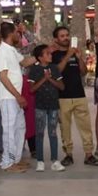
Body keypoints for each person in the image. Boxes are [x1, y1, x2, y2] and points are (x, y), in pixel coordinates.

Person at [49, 26, 98, 167]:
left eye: (67, 35)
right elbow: (56, 71)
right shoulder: (54, 55)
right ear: (56, 39)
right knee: (65, 128)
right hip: (62, 96)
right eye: (62, 36)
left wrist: (79, 58)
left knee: (85, 127)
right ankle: (68, 154)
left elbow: (83, 72)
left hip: (79, 94)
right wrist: (68, 55)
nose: (66, 38)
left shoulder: (75, 53)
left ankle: (89, 154)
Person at [0, 22, 28, 172]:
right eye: (16, 32)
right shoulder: (2, 51)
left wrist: (41, 55)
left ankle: (16, 159)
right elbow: (3, 77)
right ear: (10, 34)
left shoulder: (12, 50)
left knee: (19, 127)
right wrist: (17, 96)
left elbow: (24, 62)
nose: (18, 35)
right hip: (8, 97)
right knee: (9, 129)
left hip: (15, 97)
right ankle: (7, 162)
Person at [26, 44, 64, 172]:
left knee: (53, 133)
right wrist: (44, 78)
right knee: (40, 133)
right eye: (47, 53)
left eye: (50, 53)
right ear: (40, 57)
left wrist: (50, 79)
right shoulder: (34, 70)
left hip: (53, 105)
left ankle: (55, 160)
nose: (50, 55)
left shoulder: (54, 68)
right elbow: (32, 89)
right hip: (40, 106)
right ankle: (40, 161)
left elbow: (61, 86)